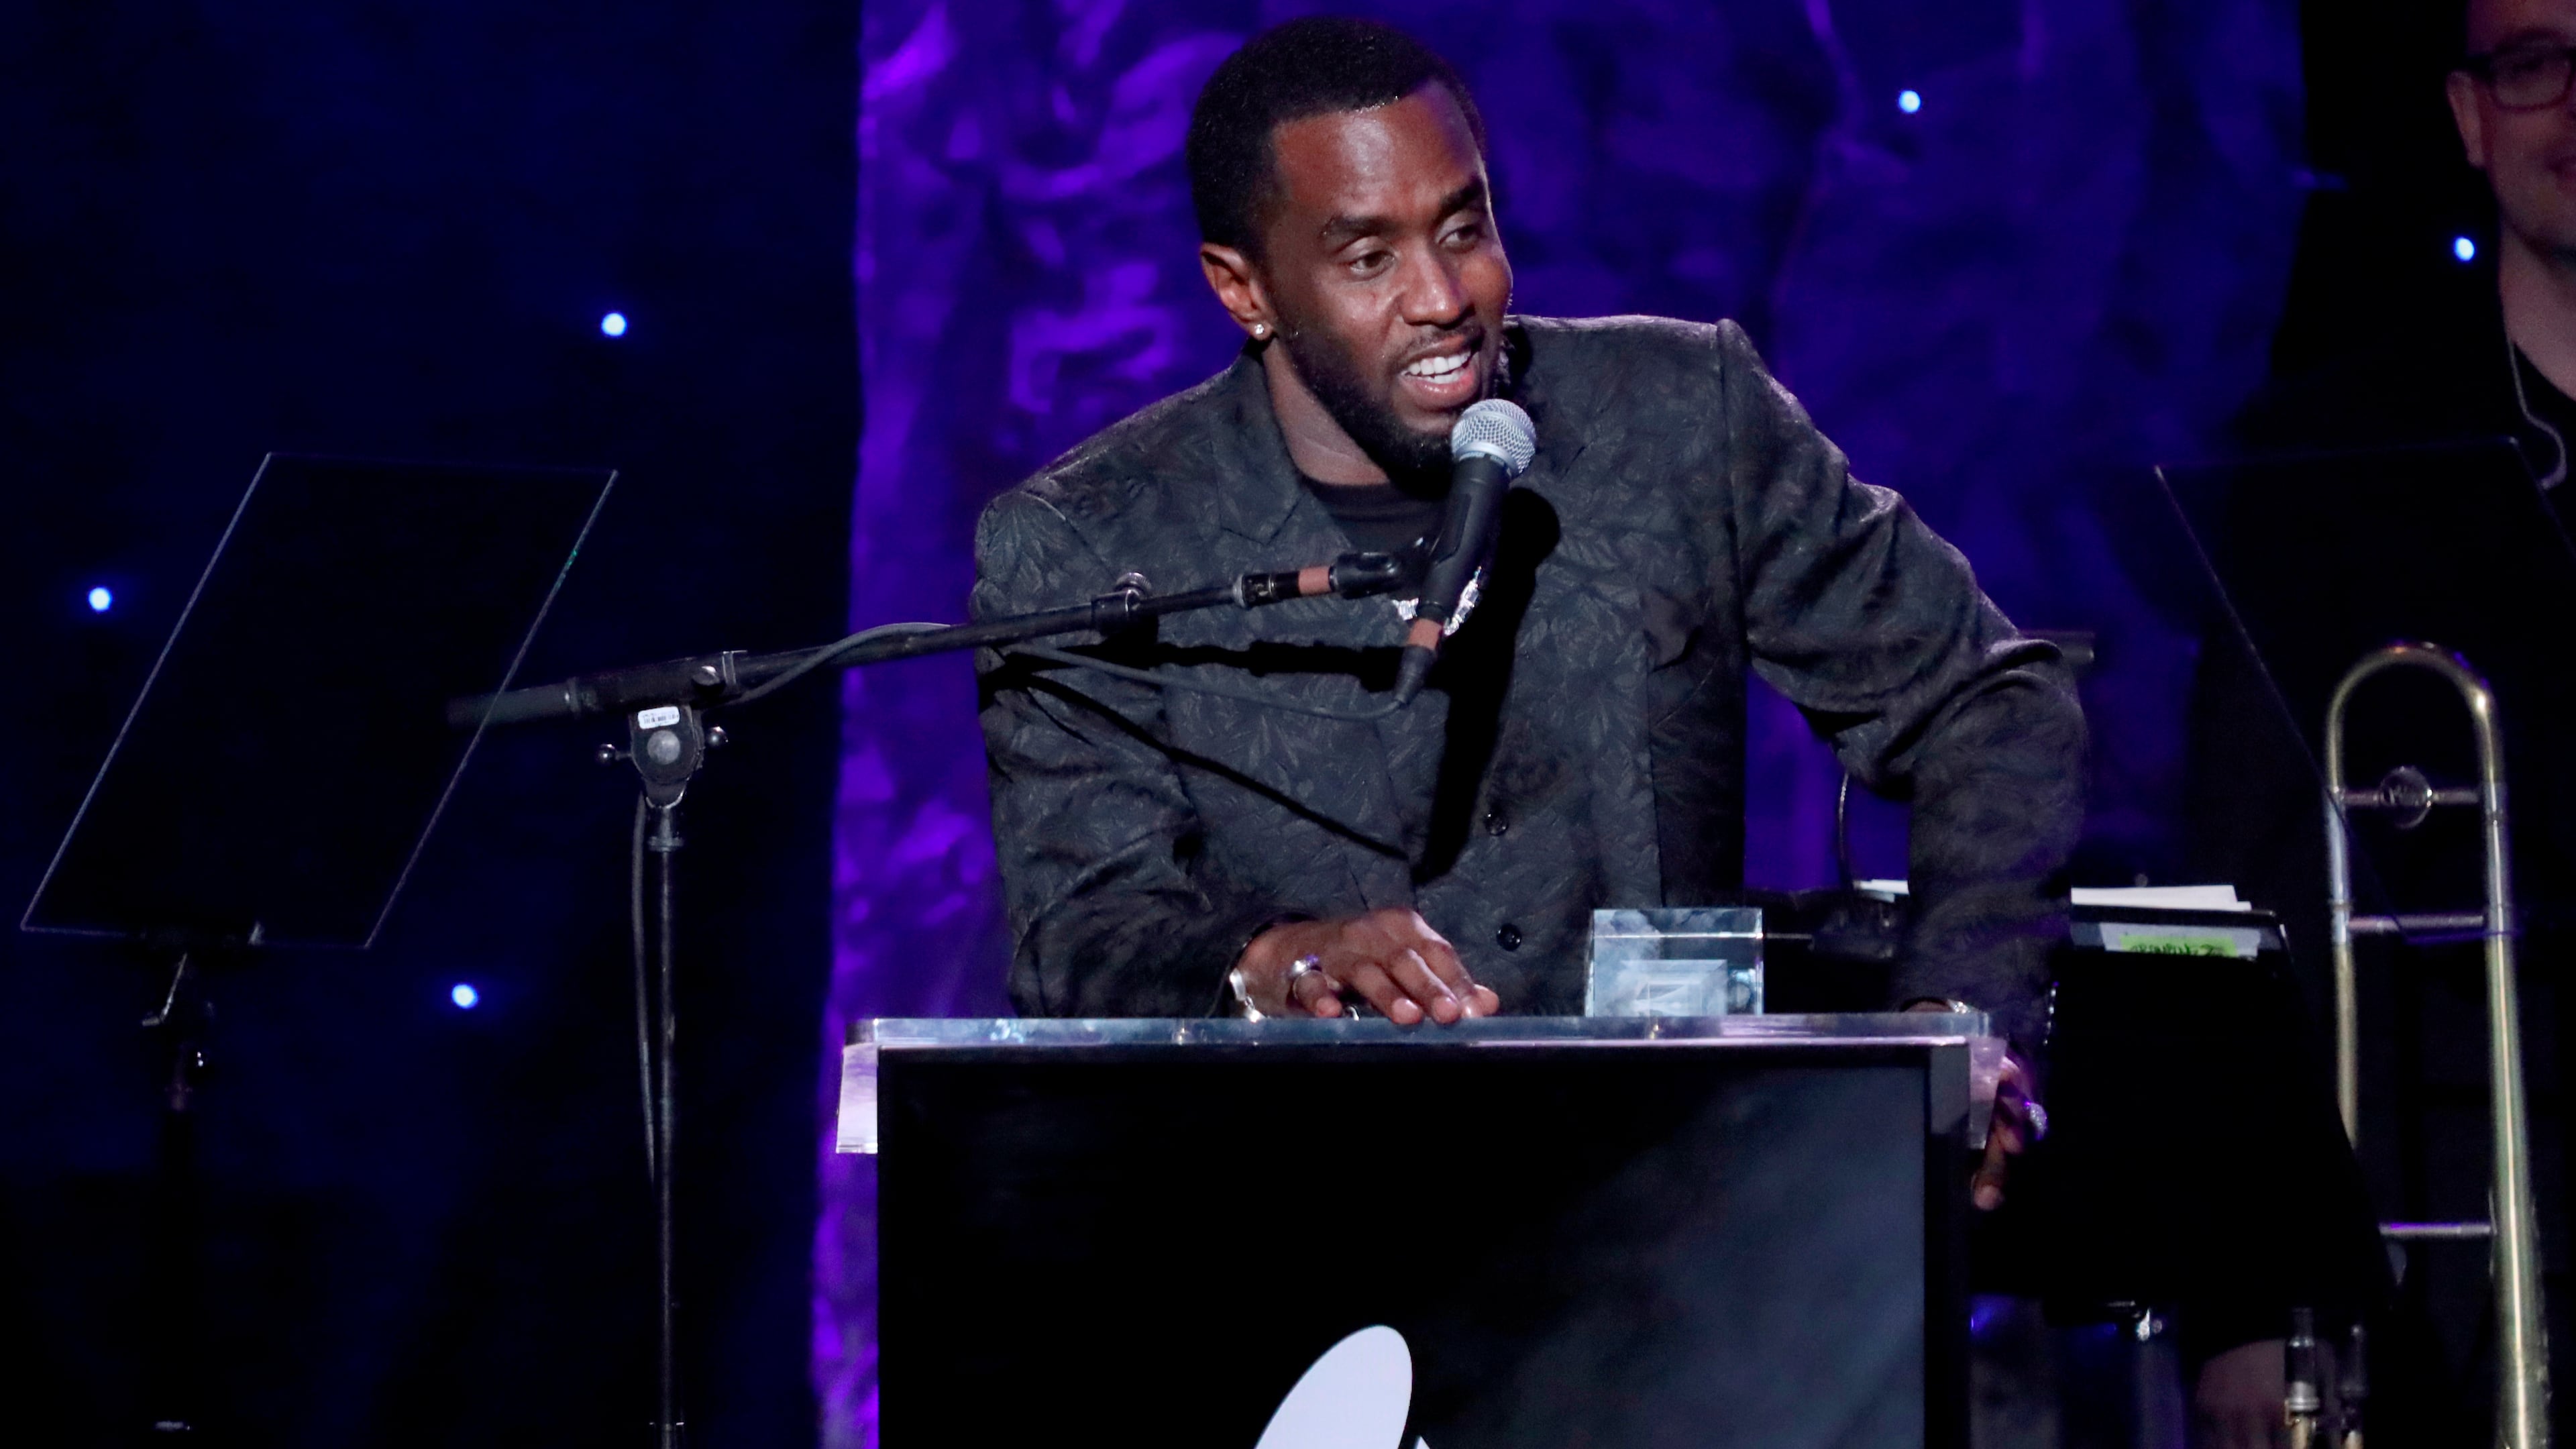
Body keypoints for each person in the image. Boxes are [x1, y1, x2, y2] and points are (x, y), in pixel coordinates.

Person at [971, 17, 2080, 1204]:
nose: (1443, 298)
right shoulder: (1092, 544)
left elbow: (1989, 701)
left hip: (1686, 1218)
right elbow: (1081, 935)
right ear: (1245, 289)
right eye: (1368, 259)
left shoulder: (1681, 417)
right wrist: (1275, 959)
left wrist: (1959, 1017)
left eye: (1465, 229)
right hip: (1305, 1218)